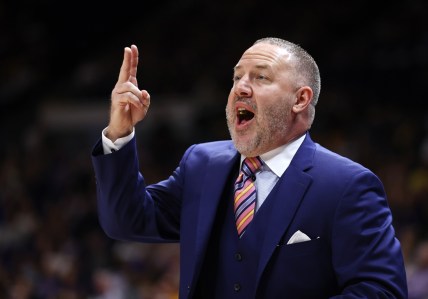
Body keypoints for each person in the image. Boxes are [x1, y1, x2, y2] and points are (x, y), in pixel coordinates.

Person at [91, 37, 408, 298]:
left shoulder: (347, 186)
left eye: (261, 77)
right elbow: (126, 221)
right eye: (237, 77)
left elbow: (381, 291)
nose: (241, 87)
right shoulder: (202, 164)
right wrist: (119, 132)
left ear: (300, 99)